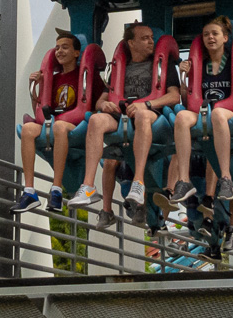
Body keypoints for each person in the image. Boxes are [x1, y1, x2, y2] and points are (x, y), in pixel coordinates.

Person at [67, 22, 180, 227]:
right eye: (145, 38)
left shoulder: (164, 65)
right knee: (95, 120)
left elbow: (174, 95)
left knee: (143, 117)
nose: (150, 42)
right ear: (131, 43)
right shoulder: (118, 67)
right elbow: (101, 99)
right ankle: (88, 185)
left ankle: (138, 182)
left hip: (151, 114)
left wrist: (146, 104)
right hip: (121, 114)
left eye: (151, 38)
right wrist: (105, 104)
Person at [165, 16, 233, 208]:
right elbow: (188, 101)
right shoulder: (200, 65)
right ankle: (184, 180)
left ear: (225, 38)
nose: (210, 38)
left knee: (218, 113)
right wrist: (183, 78)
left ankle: (226, 178)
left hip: (230, 112)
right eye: (206, 34)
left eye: (215, 34)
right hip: (202, 112)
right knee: (181, 117)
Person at [14, 29, 102, 213]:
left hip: (76, 125)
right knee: (28, 129)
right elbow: (40, 109)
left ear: (76, 53)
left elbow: (101, 97)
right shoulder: (52, 78)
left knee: (60, 127)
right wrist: (36, 87)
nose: (59, 51)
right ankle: (29, 191)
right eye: (57, 48)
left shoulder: (86, 75)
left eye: (65, 48)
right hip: (54, 121)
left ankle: (56, 189)